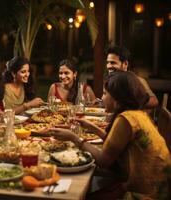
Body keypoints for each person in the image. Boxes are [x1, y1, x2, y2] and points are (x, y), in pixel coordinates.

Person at [50, 71, 171, 199]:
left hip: (146, 193)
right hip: (156, 184)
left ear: (118, 99)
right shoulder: (136, 113)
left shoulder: (126, 119)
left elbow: (103, 161)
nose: (102, 98)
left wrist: (74, 138)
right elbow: (115, 143)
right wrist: (92, 127)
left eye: (105, 93)